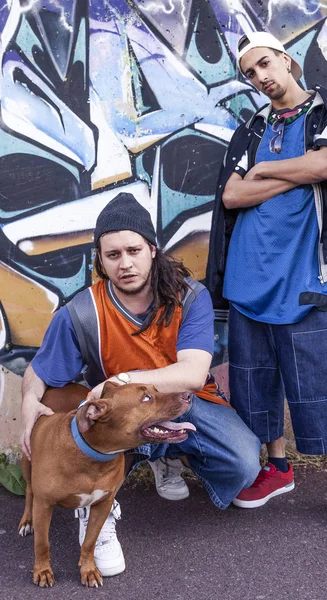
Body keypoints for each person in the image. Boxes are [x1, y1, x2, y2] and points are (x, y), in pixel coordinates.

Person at [206, 31, 327, 540]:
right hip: (248, 273)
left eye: (265, 64)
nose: (261, 77)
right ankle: (277, 468)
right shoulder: (251, 128)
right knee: (254, 379)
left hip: (307, 273)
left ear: (285, 59)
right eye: (250, 73)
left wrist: (266, 169)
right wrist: (294, 171)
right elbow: (231, 196)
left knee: (323, 383)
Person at [21, 191, 261, 576]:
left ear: (152, 249)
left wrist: (124, 378)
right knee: (63, 403)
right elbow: (41, 372)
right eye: (112, 255)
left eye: (133, 251)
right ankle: (97, 506)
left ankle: (167, 454)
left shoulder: (188, 295)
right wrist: (28, 402)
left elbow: (194, 373)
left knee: (244, 463)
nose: (125, 264)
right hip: (121, 419)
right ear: (100, 260)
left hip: (183, 401)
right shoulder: (83, 311)